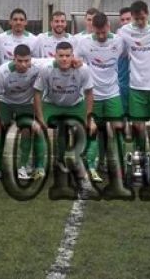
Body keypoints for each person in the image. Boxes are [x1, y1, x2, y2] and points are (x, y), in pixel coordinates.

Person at [33, 41, 95, 193]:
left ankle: (85, 166)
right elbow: (37, 93)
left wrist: (89, 118)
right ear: (55, 56)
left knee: (87, 130)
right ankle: (39, 167)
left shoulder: (83, 69)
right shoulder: (46, 68)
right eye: (61, 56)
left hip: (75, 105)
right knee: (37, 128)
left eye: (68, 55)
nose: (64, 59)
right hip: (52, 105)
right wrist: (39, 118)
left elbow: (89, 93)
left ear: (73, 56)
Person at [75, 13, 127, 182]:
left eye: (104, 32)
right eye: (98, 33)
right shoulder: (84, 42)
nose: (101, 36)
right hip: (93, 94)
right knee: (93, 130)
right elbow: (76, 62)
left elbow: (128, 55)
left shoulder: (119, 41)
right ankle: (91, 165)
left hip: (113, 93)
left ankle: (120, 166)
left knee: (118, 128)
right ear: (92, 29)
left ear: (108, 26)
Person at [0, 44, 49, 181]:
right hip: (6, 102)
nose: (23, 64)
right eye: (20, 61)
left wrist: (76, 61)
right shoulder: (3, 71)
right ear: (13, 58)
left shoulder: (38, 66)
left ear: (31, 59)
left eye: (27, 60)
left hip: (26, 104)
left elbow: (55, 60)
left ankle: (22, 167)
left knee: (27, 130)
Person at [117, 1, 150, 171]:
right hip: (136, 86)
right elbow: (115, 48)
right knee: (138, 126)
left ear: (147, 13)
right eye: (136, 19)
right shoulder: (124, 31)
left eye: (142, 18)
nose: (139, 22)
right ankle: (139, 158)